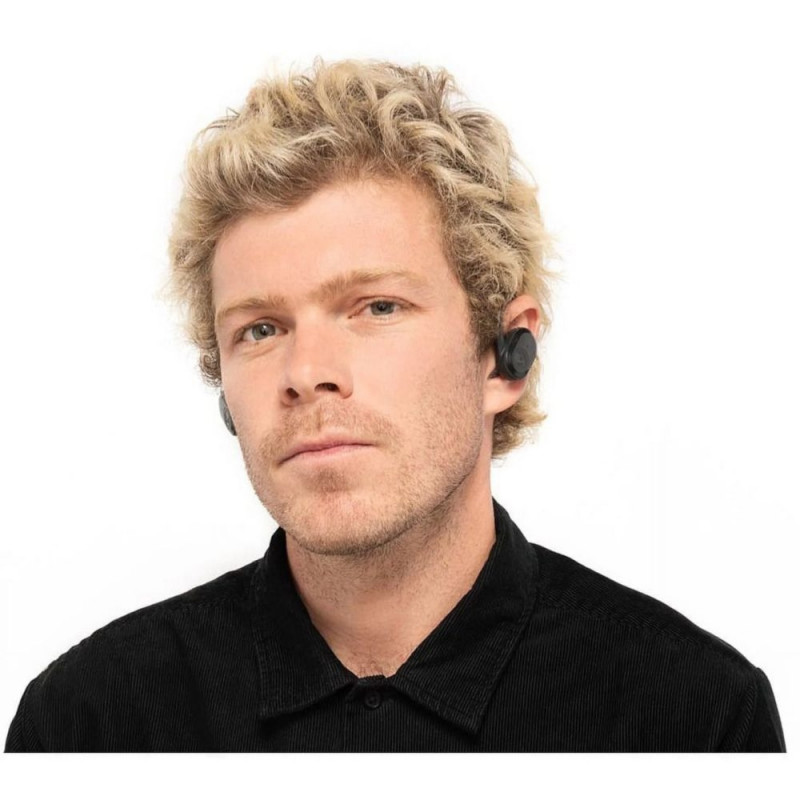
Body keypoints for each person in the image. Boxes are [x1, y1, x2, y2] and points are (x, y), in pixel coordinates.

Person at [5, 58, 785, 753]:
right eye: (261, 329)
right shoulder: (87, 726)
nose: (306, 373)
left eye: (376, 307)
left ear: (505, 356)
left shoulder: (694, 719)